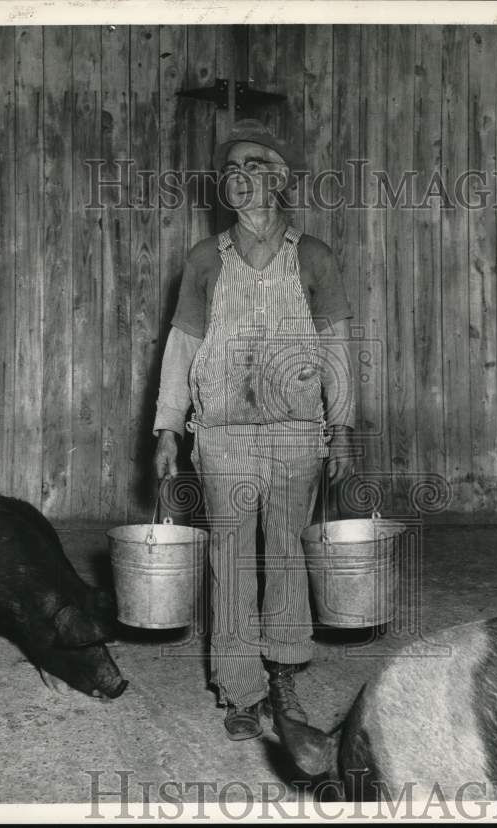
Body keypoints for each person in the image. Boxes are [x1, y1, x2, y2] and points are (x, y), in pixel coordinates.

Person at [152, 119, 356, 741]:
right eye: (231, 171)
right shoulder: (204, 259)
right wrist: (166, 429)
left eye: (252, 167)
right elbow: (182, 343)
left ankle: (284, 672)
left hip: (298, 430)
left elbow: (336, 345)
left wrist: (341, 427)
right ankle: (241, 687)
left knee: (288, 553)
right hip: (221, 431)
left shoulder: (314, 256)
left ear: (279, 178)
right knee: (231, 556)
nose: (238, 180)